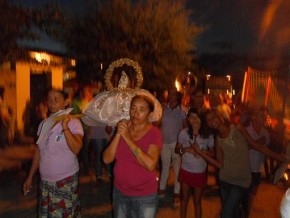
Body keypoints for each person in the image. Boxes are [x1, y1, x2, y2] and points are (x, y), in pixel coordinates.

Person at [192, 110, 284, 218]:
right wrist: (200, 153)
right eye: (209, 121)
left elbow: (256, 146)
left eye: (213, 117)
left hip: (241, 181)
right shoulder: (218, 140)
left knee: (226, 214)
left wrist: (278, 157)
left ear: (220, 116)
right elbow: (220, 164)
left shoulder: (237, 128)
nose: (212, 121)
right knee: (231, 212)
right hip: (225, 180)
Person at [23, 88, 84, 217]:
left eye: (56, 99)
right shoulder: (44, 124)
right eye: (49, 99)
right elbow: (39, 152)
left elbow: (77, 148)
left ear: (66, 102)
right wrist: (29, 177)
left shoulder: (73, 122)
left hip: (65, 180)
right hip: (45, 181)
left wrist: (65, 127)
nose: (52, 103)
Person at [103, 94, 163, 218]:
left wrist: (128, 139)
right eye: (133, 108)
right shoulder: (124, 128)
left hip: (144, 196)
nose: (136, 113)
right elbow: (106, 159)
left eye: (142, 110)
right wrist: (119, 133)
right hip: (120, 192)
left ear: (149, 114)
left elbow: (151, 165)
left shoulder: (154, 133)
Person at [174, 108, 214, 218]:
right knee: (184, 200)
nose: (194, 120)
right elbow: (177, 150)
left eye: (197, 117)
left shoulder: (207, 134)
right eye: (191, 117)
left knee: (197, 202)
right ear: (188, 119)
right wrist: (186, 149)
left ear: (201, 119)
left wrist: (202, 152)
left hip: (200, 172)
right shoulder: (183, 133)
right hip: (185, 170)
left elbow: (213, 152)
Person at [158, 87, 187, 205]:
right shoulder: (163, 108)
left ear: (177, 96)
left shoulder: (182, 110)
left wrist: (183, 143)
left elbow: (185, 127)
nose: (171, 96)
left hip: (176, 142)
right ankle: (161, 190)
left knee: (177, 168)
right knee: (164, 166)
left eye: (174, 94)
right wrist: (161, 112)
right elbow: (158, 124)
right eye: (170, 94)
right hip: (164, 141)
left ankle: (176, 193)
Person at [71, 84, 93, 173]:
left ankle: (85, 167)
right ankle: (76, 166)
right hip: (77, 129)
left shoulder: (87, 101)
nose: (85, 93)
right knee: (77, 148)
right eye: (84, 92)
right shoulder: (75, 101)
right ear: (80, 92)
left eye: (86, 92)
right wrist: (81, 114)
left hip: (87, 128)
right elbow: (72, 115)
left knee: (86, 148)